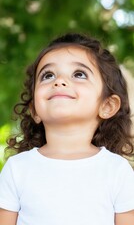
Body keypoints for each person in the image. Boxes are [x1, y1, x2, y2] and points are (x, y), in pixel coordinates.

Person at [0, 33, 134, 225]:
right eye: (48, 75)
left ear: (107, 106)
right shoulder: (17, 169)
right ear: (34, 109)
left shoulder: (117, 171)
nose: (59, 81)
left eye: (79, 74)